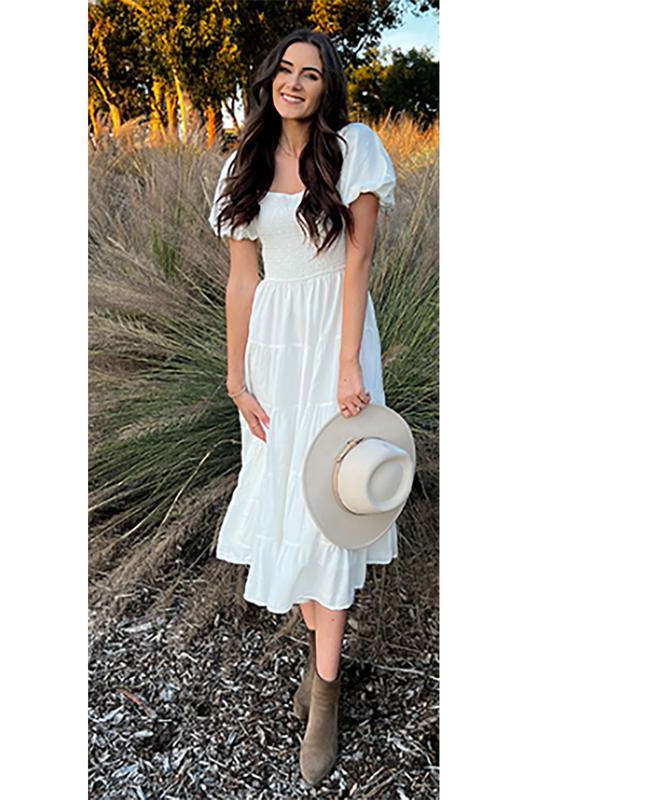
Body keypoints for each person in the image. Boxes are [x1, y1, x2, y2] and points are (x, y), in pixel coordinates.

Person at [207, 28, 398, 787]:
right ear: (270, 82)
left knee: (331, 512)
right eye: (285, 70)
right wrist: (235, 378)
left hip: (335, 341)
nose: (294, 82)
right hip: (273, 349)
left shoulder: (353, 149)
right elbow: (243, 279)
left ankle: (324, 692)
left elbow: (358, 257)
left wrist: (348, 363)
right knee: (289, 503)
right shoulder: (244, 164)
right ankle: (322, 661)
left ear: (327, 87)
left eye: (310, 74)